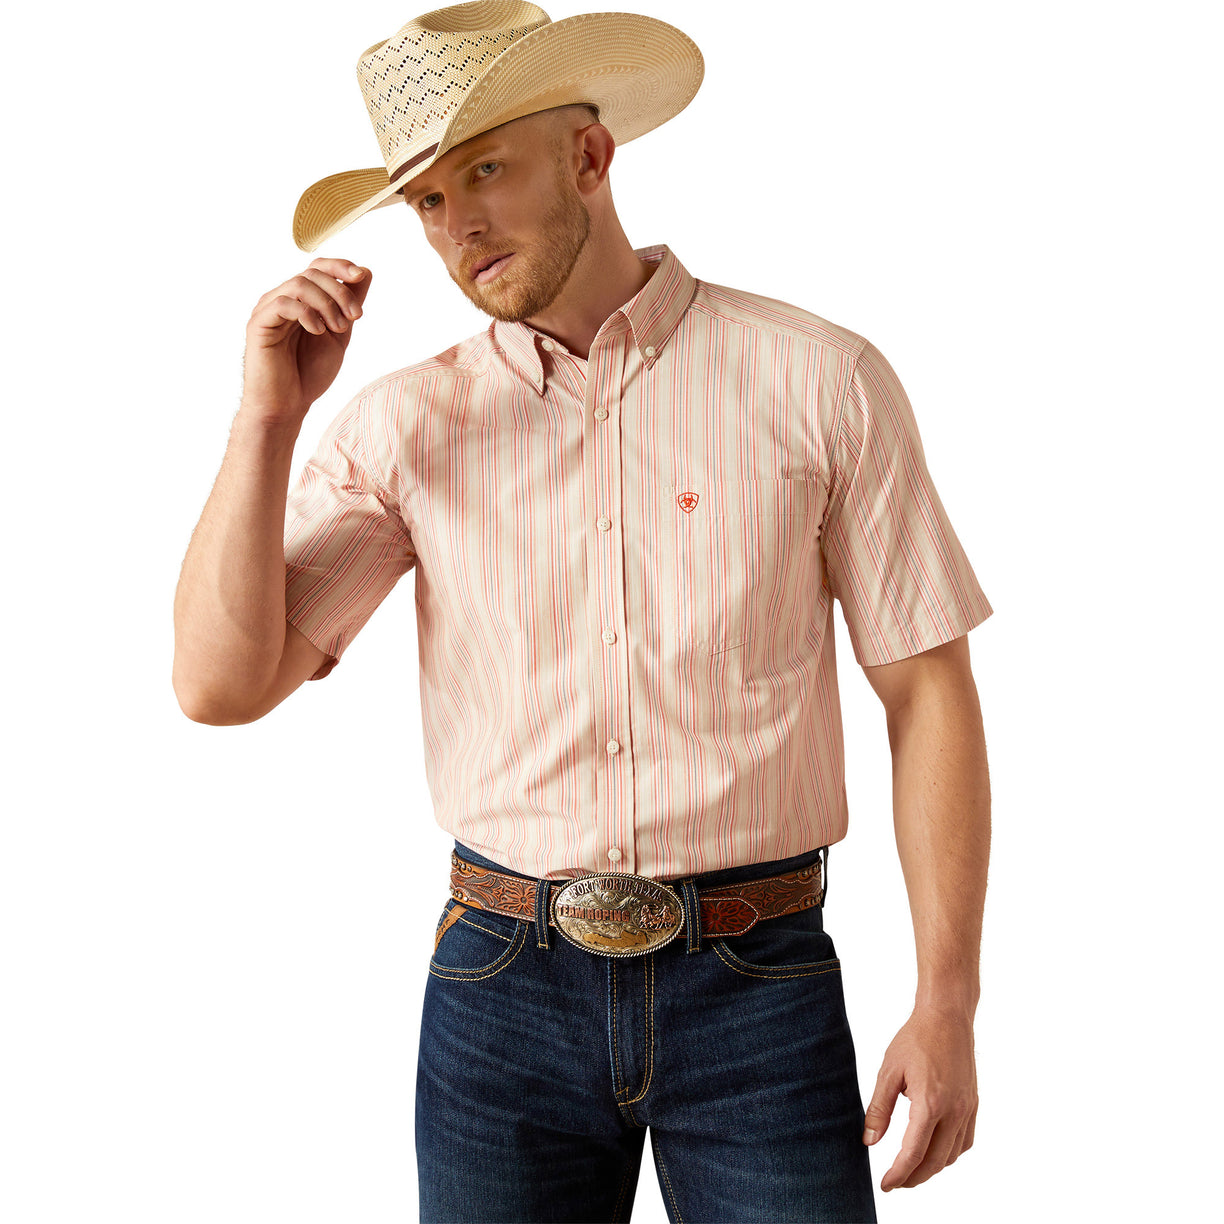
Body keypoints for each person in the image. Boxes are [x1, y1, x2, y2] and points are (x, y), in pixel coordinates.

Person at [173, 4, 993, 1221]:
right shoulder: (407, 426)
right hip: (502, 992)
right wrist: (266, 420)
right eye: (429, 202)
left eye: (486, 173)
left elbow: (926, 690)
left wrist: (946, 1001)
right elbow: (220, 685)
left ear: (591, 159)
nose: (459, 228)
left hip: (759, 984)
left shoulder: (819, 379)